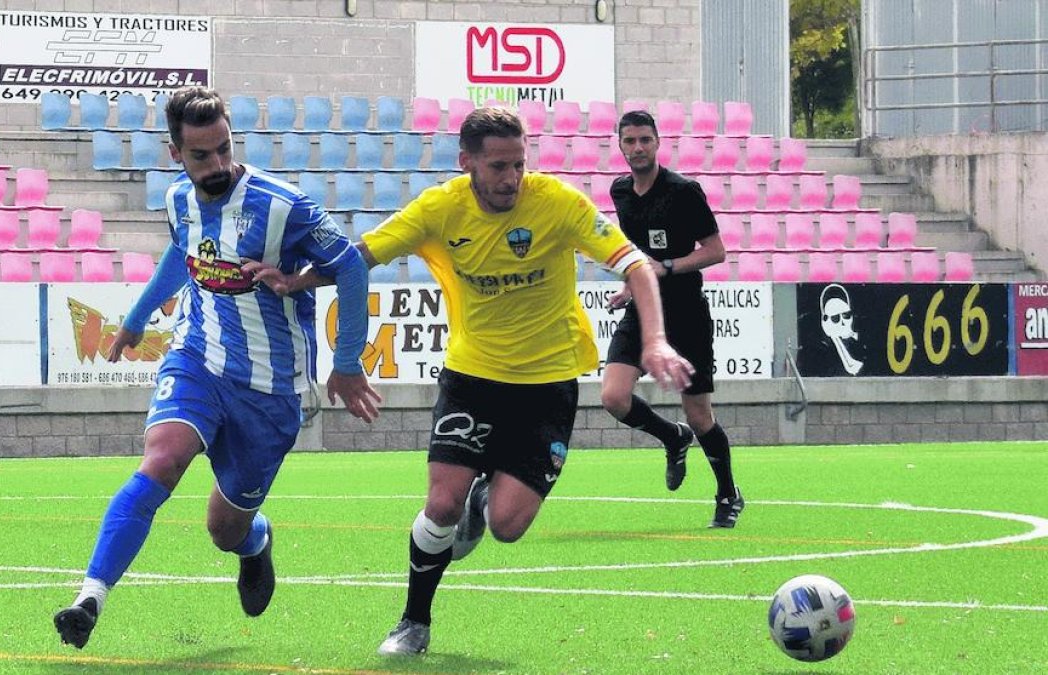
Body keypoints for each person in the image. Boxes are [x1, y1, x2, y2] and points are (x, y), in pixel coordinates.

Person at [243, 107, 693, 656]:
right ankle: (413, 622)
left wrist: (654, 341)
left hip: (548, 383)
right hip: (472, 377)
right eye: (499, 166)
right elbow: (359, 255)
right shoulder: (439, 209)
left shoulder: (558, 203)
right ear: (468, 163)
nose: (511, 178)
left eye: (519, 165)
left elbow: (636, 266)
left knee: (506, 525)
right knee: (440, 505)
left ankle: (486, 502)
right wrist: (297, 281)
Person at [52, 87, 381, 649]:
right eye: (202, 155)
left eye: (224, 149)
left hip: (270, 388)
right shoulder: (179, 198)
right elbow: (184, 257)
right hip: (197, 358)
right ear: (175, 153)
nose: (218, 165)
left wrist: (347, 363)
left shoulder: (284, 206)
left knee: (224, 530)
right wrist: (135, 319)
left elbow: (350, 267)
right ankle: (90, 598)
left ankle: (255, 543)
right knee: (162, 460)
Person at [601, 109, 744, 528]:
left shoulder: (683, 191)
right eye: (630, 141)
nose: (638, 147)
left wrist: (665, 266)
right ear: (621, 145)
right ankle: (671, 436)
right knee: (613, 397)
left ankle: (727, 493)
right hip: (642, 310)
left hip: (685, 314)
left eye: (645, 139)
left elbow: (715, 251)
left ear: (658, 142)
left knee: (700, 416)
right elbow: (634, 253)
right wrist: (630, 285)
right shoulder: (620, 192)